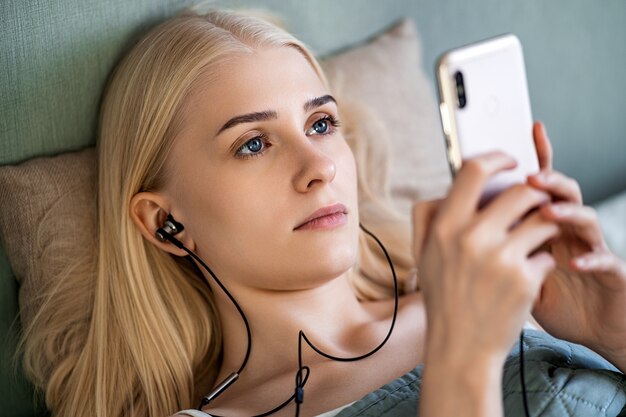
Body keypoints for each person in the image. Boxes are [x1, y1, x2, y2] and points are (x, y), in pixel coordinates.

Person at [20, 8, 626, 417]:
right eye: (252, 143)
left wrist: (614, 333)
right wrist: (464, 362)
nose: (321, 166)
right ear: (163, 223)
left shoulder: (518, 298)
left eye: (321, 123)